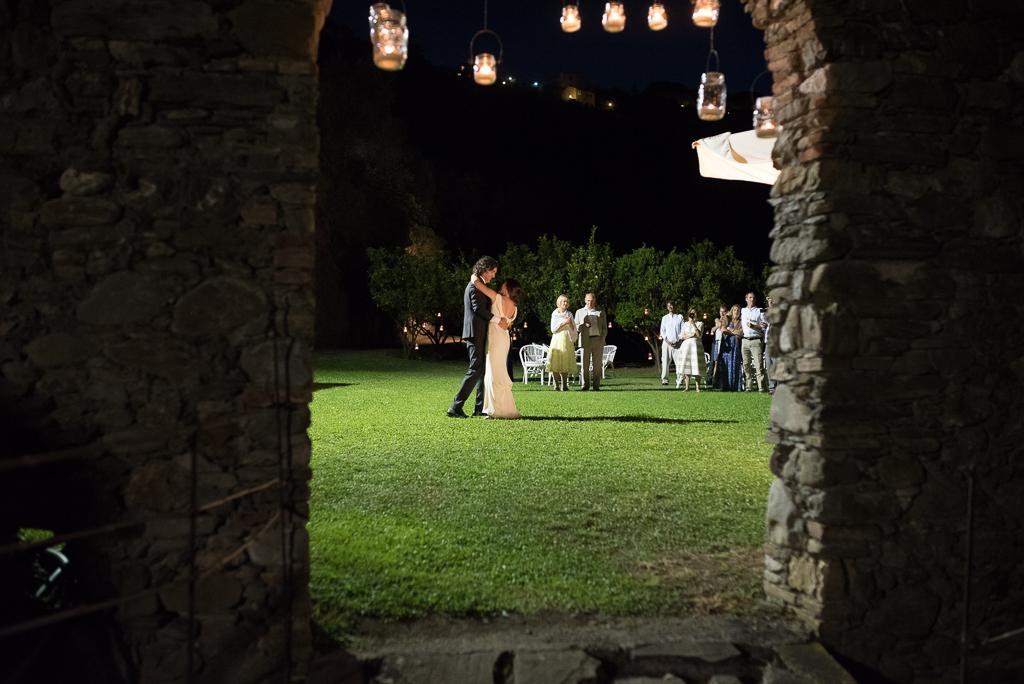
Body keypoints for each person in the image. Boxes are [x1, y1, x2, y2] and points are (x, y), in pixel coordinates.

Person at [447, 256, 506, 418]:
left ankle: (479, 408)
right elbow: (477, 309)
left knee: (481, 371)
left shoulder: (478, 284)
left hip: (479, 332)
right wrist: (497, 320)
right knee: (475, 369)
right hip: (474, 333)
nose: (494, 275)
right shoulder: (474, 287)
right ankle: (455, 407)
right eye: (492, 272)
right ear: (485, 269)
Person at [470, 274, 522, 418]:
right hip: (504, 339)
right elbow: (507, 324)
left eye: (504, 284)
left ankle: (496, 410)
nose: (501, 285)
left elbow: (479, 285)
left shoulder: (497, 298)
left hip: (495, 339)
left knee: (493, 373)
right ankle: (504, 408)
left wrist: (474, 276)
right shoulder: (515, 307)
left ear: (508, 288)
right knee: (499, 372)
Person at [574, 292, 607, 391]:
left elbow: (605, 328)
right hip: (585, 340)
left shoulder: (600, 312)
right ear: (585, 300)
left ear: (595, 300)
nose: (590, 302)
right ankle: (585, 385)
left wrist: (603, 338)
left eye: (592, 300)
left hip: (598, 340)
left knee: (597, 365)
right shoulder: (579, 312)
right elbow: (576, 326)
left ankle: (596, 386)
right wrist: (583, 325)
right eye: (588, 300)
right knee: (585, 365)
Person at [547, 294, 577, 391]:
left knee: (565, 362)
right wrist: (564, 323)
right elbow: (553, 329)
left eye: (566, 301)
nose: (565, 303)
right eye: (563, 301)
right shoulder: (555, 313)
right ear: (559, 303)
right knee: (555, 362)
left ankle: (564, 385)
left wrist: (570, 324)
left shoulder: (570, 314)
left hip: (566, 339)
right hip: (557, 339)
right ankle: (556, 385)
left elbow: (573, 328)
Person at [740, 291, 768, 392]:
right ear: (746, 299)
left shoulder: (760, 311)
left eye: (753, 298)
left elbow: (764, 325)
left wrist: (754, 325)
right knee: (746, 365)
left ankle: (761, 387)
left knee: (758, 365)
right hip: (745, 340)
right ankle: (749, 386)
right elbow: (731, 314)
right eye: (750, 297)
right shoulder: (742, 310)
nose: (752, 299)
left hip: (756, 340)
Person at [715, 305, 744, 392]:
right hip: (727, 345)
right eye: (734, 310)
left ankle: (735, 386)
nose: (736, 311)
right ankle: (725, 386)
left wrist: (730, 330)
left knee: (735, 364)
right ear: (731, 311)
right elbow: (723, 329)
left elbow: (741, 333)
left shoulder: (741, 321)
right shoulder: (728, 319)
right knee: (726, 364)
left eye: (738, 310)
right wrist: (734, 332)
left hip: (736, 345)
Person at [677, 308, 706, 391]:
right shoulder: (685, 324)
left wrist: (693, 324)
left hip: (696, 346)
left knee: (696, 365)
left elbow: (699, 335)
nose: (693, 314)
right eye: (691, 313)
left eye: (694, 313)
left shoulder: (700, 323)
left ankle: (698, 387)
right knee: (687, 365)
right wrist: (690, 335)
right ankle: (687, 387)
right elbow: (682, 336)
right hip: (686, 346)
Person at [658, 301, 684, 386]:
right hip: (666, 343)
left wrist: (679, 340)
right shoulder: (664, 318)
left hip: (678, 344)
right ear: (667, 307)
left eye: (671, 305)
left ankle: (679, 379)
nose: (670, 307)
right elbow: (662, 331)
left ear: (674, 306)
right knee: (665, 361)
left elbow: (683, 330)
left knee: (679, 362)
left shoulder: (680, 317)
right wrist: (667, 341)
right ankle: (664, 379)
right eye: (668, 306)